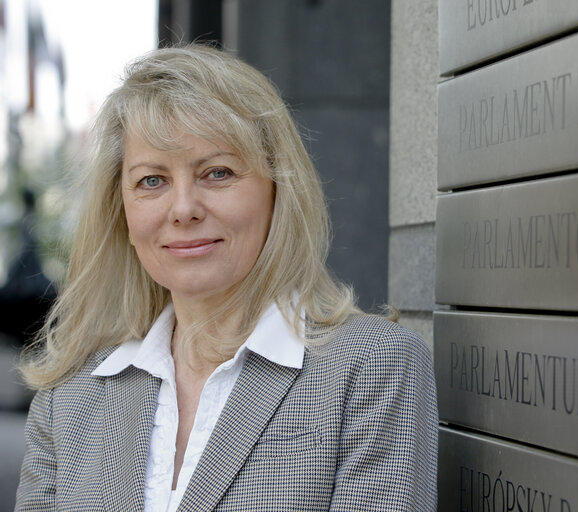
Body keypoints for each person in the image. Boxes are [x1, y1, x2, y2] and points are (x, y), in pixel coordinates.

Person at [15, 44, 438, 511]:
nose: (182, 210)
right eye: (152, 180)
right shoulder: (66, 400)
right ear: (122, 211)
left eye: (218, 172)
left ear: (278, 191)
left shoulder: (371, 369)